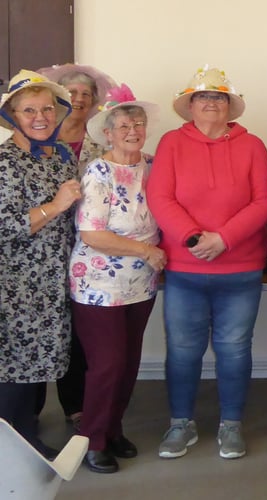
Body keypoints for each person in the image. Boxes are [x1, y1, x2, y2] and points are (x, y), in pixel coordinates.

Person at [147, 66, 267, 460]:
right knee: (182, 350)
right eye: (203, 97)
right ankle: (180, 424)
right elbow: (160, 197)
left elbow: (264, 201)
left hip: (241, 269)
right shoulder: (170, 143)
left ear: (230, 106)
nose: (211, 104)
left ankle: (231, 425)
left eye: (219, 98)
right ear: (190, 106)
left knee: (235, 348)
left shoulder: (253, 146)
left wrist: (225, 238)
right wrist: (193, 238)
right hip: (185, 269)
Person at [70, 84, 165, 473]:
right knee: (107, 363)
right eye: (123, 124)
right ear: (107, 132)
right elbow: (92, 233)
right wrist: (145, 250)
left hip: (142, 282)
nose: (132, 130)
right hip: (98, 283)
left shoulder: (155, 164)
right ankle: (91, 440)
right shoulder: (98, 171)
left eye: (138, 123)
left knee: (128, 363)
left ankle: (112, 429)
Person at [0, 69, 81, 458]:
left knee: (39, 363)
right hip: (14, 281)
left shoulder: (60, 157)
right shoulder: (5, 162)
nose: (40, 117)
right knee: (15, 365)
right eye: (29, 109)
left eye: (47, 108)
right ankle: (17, 446)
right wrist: (56, 206)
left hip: (53, 279)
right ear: (13, 114)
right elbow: (4, 225)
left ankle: (24, 435)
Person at [35, 63, 117, 431]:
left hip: (91, 252)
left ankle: (75, 404)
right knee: (40, 328)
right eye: (71, 93)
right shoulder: (36, 141)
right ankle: (28, 411)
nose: (80, 99)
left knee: (82, 329)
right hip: (42, 250)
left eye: (87, 94)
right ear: (57, 100)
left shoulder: (103, 143)